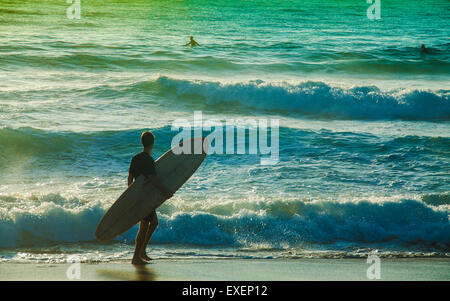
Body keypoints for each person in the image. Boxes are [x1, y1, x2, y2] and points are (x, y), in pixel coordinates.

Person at [128, 131, 173, 265]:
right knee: (144, 226)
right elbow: (152, 179)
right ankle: (136, 257)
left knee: (153, 223)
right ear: (152, 144)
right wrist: (165, 191)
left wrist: (131, 195)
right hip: (145, 198)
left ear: (142, 143)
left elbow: (129, 178)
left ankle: (141, 252)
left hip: (139, 196)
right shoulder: (148, 160)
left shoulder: (135, 158)